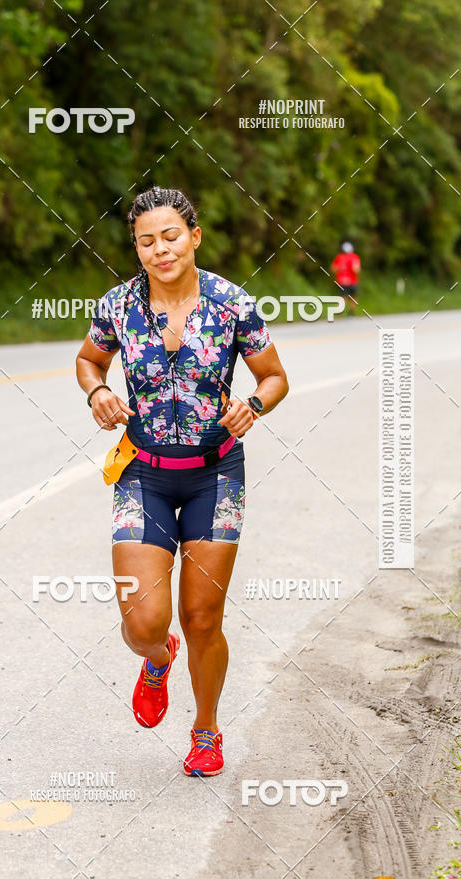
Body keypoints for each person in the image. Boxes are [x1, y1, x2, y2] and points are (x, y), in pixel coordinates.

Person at [76, 186, 288, 776]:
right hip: (141, 472)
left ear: (193, 236)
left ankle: (205, 729)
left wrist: (254, 405)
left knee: (201, 619)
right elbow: (88, 359)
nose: (160, 249)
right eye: (146, 240)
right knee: (143, 622)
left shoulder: (231, 304)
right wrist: (97, 389)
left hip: (215, 476)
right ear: (137, 249)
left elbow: (274, 377)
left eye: (171, 236)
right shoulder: (118, 305)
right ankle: (155, 658)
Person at [331, 240, 361, 315]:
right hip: (349, 281)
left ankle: (339, 311)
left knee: (345, 297)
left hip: (345, 281)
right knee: (351, 297)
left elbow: (333, 269)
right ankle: (350, 312)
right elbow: (357, 270)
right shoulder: (353, 257)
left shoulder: (340, 257)